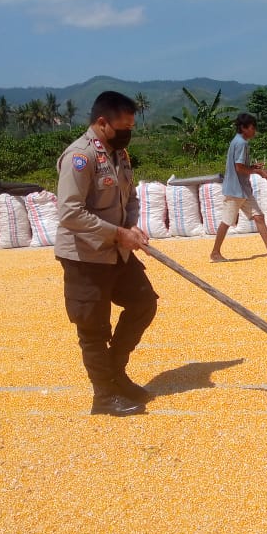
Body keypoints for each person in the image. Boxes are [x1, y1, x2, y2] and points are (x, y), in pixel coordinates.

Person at [55, 90, 158, 416]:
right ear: (102, 123)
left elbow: (130, 198)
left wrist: (132, 226)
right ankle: (104, 396)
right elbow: (70, 213)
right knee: (94, 328)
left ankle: (116, 372)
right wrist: (118, 233)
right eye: (123, 127)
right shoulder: (79, 157)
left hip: (118, 253)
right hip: (85, 256)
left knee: (144, 302)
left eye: (131, 126)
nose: (128, 133)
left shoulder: (119, 155)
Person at [210, 112, 267, 262]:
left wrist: (253, 167)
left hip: (243, 190)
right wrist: (259, 171)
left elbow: (242, 166)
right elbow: (239, 168)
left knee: (259, 217)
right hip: (235, 190)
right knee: (227, 221)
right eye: (252, 128)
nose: (254, 131)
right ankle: (215, 253)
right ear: (244, 128)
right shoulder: (241, 143)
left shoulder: (238, 142)